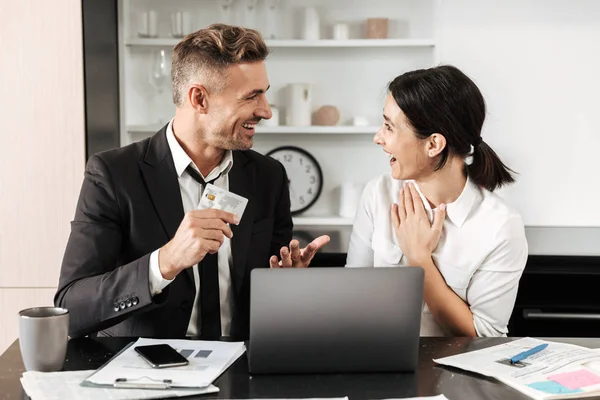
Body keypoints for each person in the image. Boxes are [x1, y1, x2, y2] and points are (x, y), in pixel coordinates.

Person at [55, 24, 329, 341]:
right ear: (199, 99)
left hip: (243, 371)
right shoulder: (113, 175)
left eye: (264, 93)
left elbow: (266, 301)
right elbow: (71, 308)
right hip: (147, 374)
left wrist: (286, 286)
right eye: (252, 96)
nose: (266, 111)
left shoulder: (269, 177)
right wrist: (166, 262)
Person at [346, 65, 528, 337]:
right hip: (380, 362)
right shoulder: (378, 194)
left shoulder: (500, 226)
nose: (378, 138)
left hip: (459, 374)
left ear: (433, 144)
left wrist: (419, 259)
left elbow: (485, 337)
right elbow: (351, 298)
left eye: (389, 127)